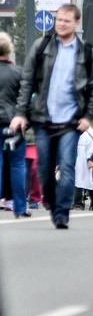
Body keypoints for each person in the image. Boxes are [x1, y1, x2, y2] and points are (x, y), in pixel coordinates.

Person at [11, 4, 93, 229]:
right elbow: (27, 81)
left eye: (66, 21)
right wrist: (21, 113)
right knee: (44, 168)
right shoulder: (41, 47)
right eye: (59, 20)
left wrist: (89, 116)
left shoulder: (86, 52)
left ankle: (62, 212)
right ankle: (51, 200)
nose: (61, 24)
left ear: (76, 24)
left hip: (71, 122)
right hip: (43, 119)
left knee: (68, 166)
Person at [0, 32, 28, 218]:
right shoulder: (19, 72)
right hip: (13, 124)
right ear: (9, 50)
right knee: (18, 165)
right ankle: (20, 207)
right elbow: (27, 99)